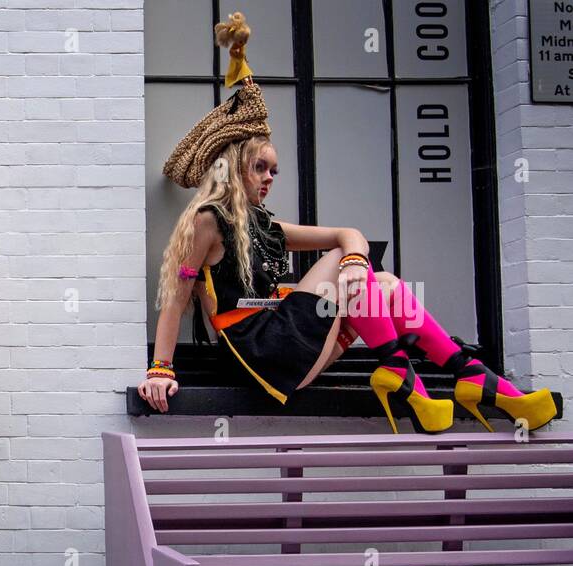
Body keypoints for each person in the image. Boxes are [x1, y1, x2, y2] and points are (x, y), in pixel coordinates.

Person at [141, 12, 558, 434]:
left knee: (387, 284)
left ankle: (463, 374)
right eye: (260, 167)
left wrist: (356, 261)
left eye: (275, 171)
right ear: (234, 166)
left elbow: (349, 233)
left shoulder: (264, 226)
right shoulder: (208, 221)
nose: (269, 178)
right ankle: (412, 371)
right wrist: (161, 369)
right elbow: (175, 298)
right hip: (259, 354)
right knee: (348, 260)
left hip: (289, 352)